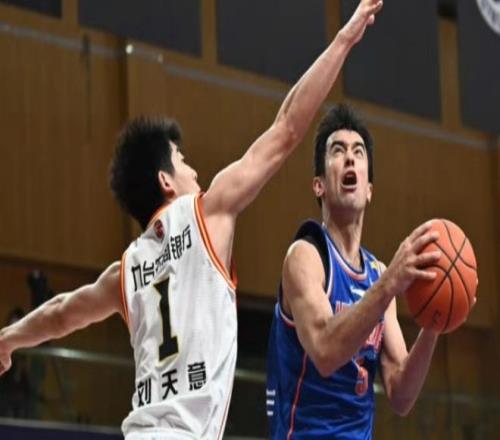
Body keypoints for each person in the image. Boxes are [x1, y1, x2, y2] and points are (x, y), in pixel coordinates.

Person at [0, 1, 384, 438]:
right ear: (165, 180)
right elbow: (287, 129)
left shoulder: (125, 271)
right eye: (182, 160)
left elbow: (61, 313)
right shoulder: (207, 213)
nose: (194, 170)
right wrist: (344, 39)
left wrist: (8, 338)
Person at [266, 104, 443, 439]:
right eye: (338, 150)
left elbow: (401, 394)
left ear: (369, 189)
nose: (349, 158)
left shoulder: (378, 273)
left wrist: (434, 323)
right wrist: (388, 286)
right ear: (318, 185)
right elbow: (325, 352)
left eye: (358, 152)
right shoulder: (306, 256)